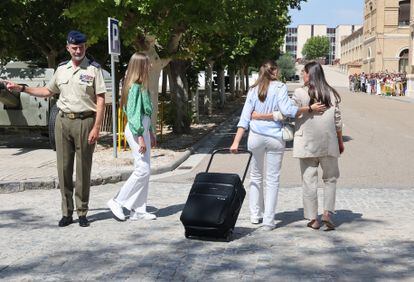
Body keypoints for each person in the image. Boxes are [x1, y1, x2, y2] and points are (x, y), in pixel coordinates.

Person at [6, 31, 106, 227]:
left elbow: (101, 99)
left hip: (85, 122)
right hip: (62, 122)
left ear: (85, 47)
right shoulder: (61, 69)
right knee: (63, 168)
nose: (78, 50)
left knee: (83, 169)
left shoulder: (94, 69)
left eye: (82, 47)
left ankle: (82, 211)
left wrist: (96, 127)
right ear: (68, 48)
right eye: (75, 47)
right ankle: (67, 212)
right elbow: (47, 91)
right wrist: (22, 88)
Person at [230, 60, 326, 231]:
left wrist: (236, 141)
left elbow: (244, 118)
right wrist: (309, 108)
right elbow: (289, 111)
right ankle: (269, 220)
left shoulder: (253, 90)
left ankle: (255, 214)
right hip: (274, 137)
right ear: (275, 71)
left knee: (255, 176)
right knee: (272, 179)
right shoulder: (280, 87)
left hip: (255, 137)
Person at [292, 62, 344, 230]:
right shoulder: (331, 93)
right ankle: (327, 213)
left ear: (310, 74)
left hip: (306, 143)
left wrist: (308, 109)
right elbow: (338, 121)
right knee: (330, 179)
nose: (302, 74)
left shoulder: (300, 93)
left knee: (309, 181)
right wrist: (340, 142)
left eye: (304, 72)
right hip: (329, 143)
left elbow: (290, 111)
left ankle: (313, 219)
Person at [107, 52, 157, 221]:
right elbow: (134, 114)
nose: (150, 66)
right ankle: (117, 201)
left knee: (145, 169)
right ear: (140, 66)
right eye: (147, 64)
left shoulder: (141, 85)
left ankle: (139, 209)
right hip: (137, 129)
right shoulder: (134, 86)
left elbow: (144, 114)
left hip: (143, 128)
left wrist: (149, 131)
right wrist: (141, 136)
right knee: (142, 170)